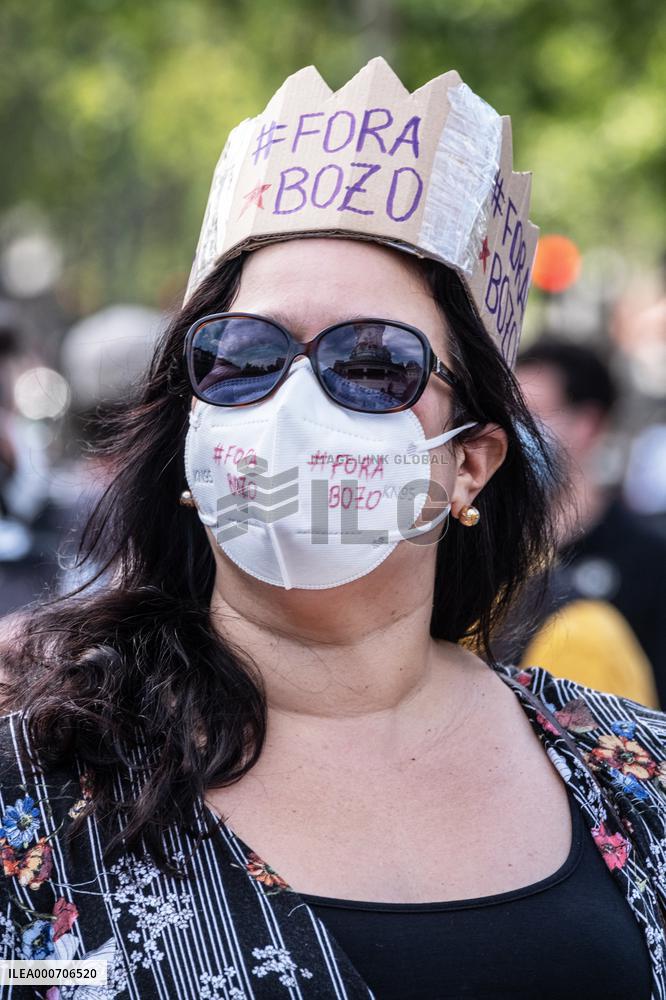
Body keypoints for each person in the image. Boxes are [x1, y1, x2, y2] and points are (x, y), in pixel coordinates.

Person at [0, 59, 664, 999]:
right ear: (193, 426)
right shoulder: (38, 777)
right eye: (243, 356)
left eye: (370, 363)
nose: (295, 404)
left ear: (469, 461)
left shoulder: (635, 780)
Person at [516, 337, 666, 705]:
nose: (513, 430)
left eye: (531, 414)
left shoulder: (649, 561)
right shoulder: (493, 550)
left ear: (588, 424)